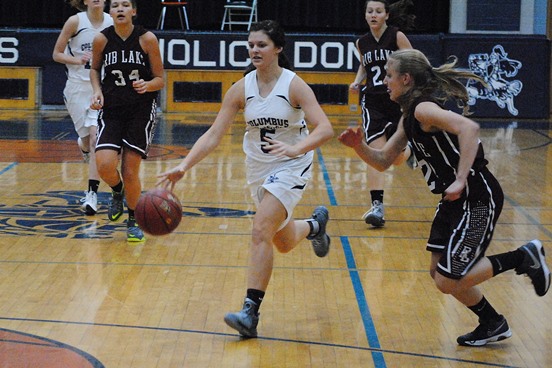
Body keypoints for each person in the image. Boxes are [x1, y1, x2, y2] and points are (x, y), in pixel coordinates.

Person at [338, 48, 550, 346]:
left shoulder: (424, 109)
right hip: (453, 202)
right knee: (440, 273)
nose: (384, 81)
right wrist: (358, 146)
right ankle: (492, 322)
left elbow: (469, 128)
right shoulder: (409, 116)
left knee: (449, 278)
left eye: (389, 75)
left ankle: (523, 257)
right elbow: (384, 160)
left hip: (477, 196)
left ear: (406, 79)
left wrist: (461, 178)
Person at [158, 20, 334, 338]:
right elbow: (213, 135)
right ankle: (315, 226)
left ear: (278, 48)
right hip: (258, 169)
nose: (254, 49)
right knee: (280, 240)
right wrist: (183, 166)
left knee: (260, 229)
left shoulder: (294, 85)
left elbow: (324, 128)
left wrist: (296, 148)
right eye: (251, 44)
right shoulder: (241, 88)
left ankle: (250, 313)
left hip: (292, 166)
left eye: (262, 44)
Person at [90, 0, 164, 242]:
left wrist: (147, 84)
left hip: (140, 111)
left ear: (134, 11)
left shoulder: (147, 39)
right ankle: (116, 191)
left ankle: (134, 219)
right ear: (110, 12)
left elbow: (160, 79)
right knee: (103, 165)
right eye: (115, 5)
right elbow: (94, 70)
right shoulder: (102, 39)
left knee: (130, 170)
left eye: (125, 5)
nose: (120, 9)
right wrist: (97, 91)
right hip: (111, 110)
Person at [350, 0, 415, 228]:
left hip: (396, 101)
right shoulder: (362, 42)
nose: (373, 15)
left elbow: (414, 62)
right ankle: (376, 206)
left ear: (386, 15)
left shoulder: (396, 36)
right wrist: (358, 81)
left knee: (395, 159)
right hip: (373, 103)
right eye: (369, 11)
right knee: (376, 153)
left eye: (378, 11)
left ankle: (410, 152)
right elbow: (364, 66)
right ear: (365, 15)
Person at [53, 0, 113, 216]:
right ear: (85, 1)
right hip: (78, 88)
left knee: (97, 138)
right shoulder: (75, 21)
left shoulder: (112, 20)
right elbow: (57, 53)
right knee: (88, 140)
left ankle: (92, 195)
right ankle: (83, 145)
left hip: (102, 88)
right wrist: (77, 60)